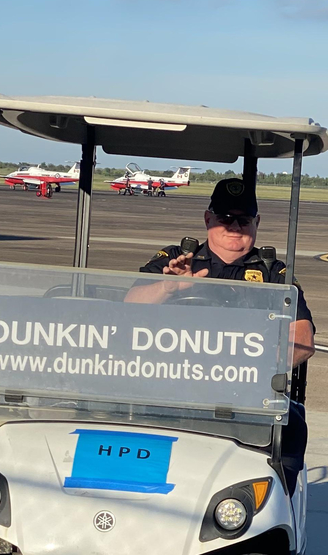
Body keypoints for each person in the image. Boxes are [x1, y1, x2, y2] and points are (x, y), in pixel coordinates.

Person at [125, 177, 315, 495]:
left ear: (256, 222)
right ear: (208, 219)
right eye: (225, 219)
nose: (234, 227)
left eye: (243, 220)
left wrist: (254, 368)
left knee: (292, 424)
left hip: (242, 391)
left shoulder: (273, 274)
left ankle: (272, 507)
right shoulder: (175, 260)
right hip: (167, 384)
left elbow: (303, 339)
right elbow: (126, 309)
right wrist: (169, 287)